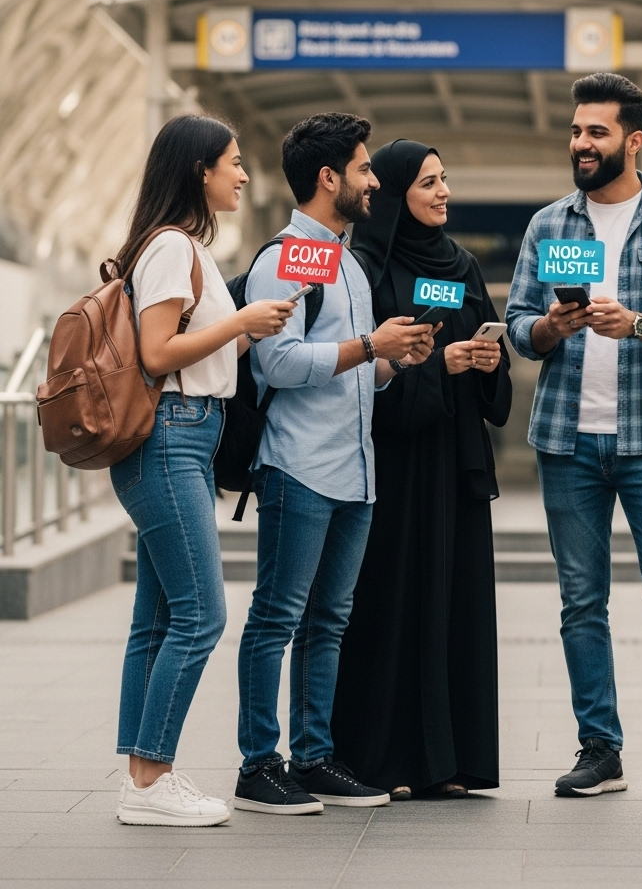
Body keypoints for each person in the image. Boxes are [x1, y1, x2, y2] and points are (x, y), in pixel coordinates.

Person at [505, 73, 642, 804]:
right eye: (576, 131)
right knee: (580, 600)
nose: (581, 143)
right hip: (567, 442)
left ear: (632, 140)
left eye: (596, 132)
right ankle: (600, 748)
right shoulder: (548, 226)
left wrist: (638, 323)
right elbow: (516, 326)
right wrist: (551, 327)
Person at [233, 114, 436, 815]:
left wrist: (390, 360)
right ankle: (258, 765)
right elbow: (277, 361)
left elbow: (353, 370)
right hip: (298, 469)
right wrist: (363, 348)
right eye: (363, 168)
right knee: (277, 617)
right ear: (329, 179)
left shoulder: (346, 262)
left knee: (329, 622)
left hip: (354, 472)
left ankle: (313, 758)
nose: (374, 181)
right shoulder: (288, 257)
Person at [110, 115, 296, 826]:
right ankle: (152, 780)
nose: (243, 174)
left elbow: (195, 351)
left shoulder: (185, 249)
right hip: (169, 438)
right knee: (201, 615)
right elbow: (159, 353)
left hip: (186, 433)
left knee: (156, 621)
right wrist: (241, 323)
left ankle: (142, 777)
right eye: (234, 162)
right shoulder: (168, 248)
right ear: (199, 170)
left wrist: (246, 334)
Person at [331, 140, 512, 799]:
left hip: (455, 459)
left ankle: (449, 762)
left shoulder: (460, 263)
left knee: (453, 605)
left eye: (445, 180)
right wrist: (439, 366)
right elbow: (361, 368)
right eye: (429, 183)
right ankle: (391, 762)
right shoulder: (366, 267)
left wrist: (487, 363)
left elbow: (488, 342)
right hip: (393, 463)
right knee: (390, 604)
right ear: (398, 192)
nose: (443, 193)